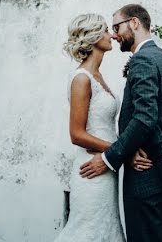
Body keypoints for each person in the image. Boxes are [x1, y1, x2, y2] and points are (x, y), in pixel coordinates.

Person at [80, 4, 162, 242]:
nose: (115, 34)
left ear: (135, 23)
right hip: (160, 171)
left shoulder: (144, 61)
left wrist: (109, 158)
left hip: (146, 173)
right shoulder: (159, 57)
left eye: (116, 27)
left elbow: (144, 118)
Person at [55, 13, 147, 241]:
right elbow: (76, 134)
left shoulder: (98, 76)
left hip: (106, 167)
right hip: (92, 169)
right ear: (94, 37)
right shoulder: (81, 78)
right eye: (106, 30)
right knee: (89, 231)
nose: (112, 35)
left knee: (106, 228)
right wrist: (123, 152)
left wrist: (117, 154)